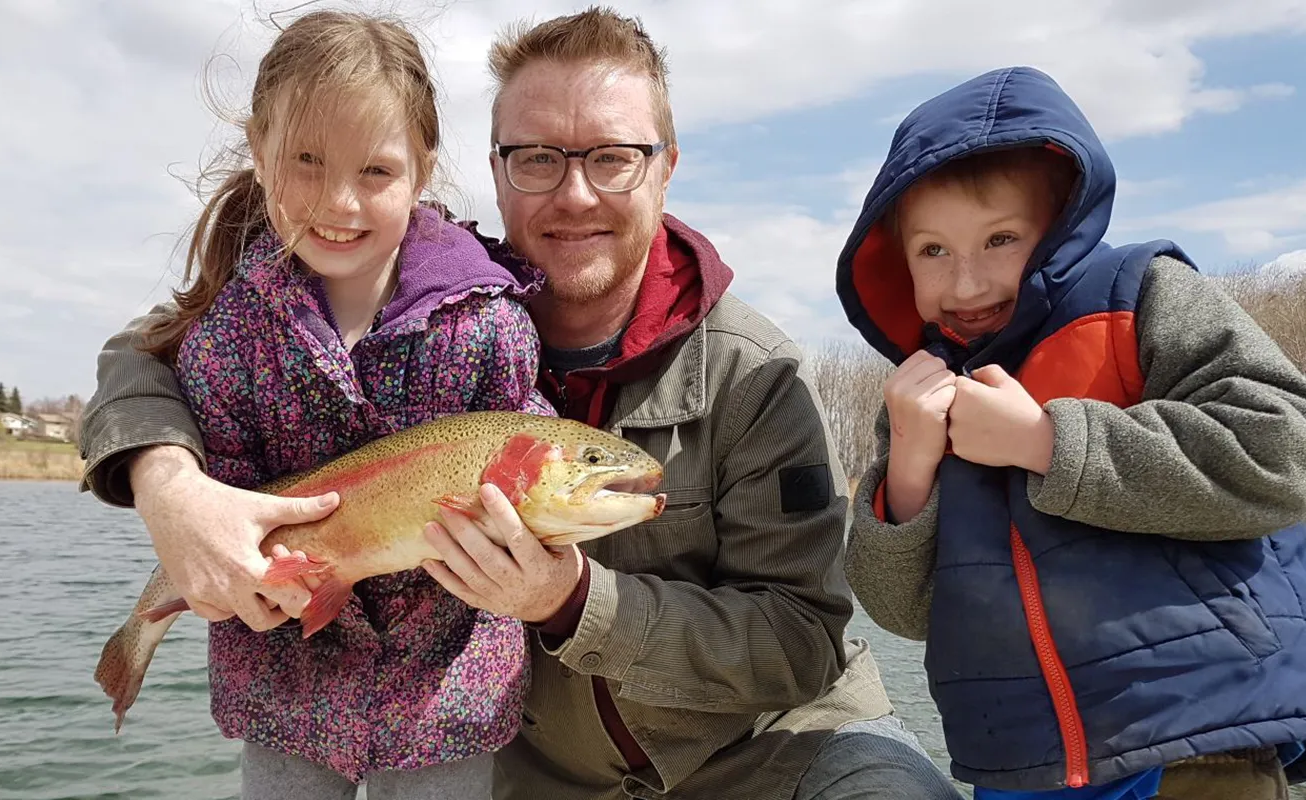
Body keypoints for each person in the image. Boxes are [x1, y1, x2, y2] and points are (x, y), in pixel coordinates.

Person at [82, 7, 960, 800]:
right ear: (492, 171)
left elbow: (804, 642)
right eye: (538, 157)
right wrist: (167, 482)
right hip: (547, 777)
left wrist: (577, 600)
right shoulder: (442, 297)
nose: (574, 193)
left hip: (771, 756)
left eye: (614, 157)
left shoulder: (756, 374)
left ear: (667, 168)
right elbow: (149, 351)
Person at [94, 9, 559, 799]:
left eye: (375, 172)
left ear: (422, 167)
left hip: (445, 696)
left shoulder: (490, 327)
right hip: (285, 690)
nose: (340, 202)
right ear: (258, 152)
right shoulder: (225, 340)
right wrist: (244, 578)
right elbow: (224, 498)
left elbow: (519, 436)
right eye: (307, 161)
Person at [837, 65, 1306, 799]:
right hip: (1019, 764)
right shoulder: (917, 391)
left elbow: (1286, 454)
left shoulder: (1142, 296)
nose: (965, 284)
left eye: (1000, 239)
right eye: (933, 251)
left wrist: (1048, 445)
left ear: (1060, 227)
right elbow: (903, 614)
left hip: (1197, 743)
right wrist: (907, 481)